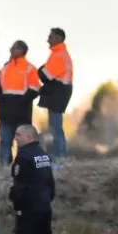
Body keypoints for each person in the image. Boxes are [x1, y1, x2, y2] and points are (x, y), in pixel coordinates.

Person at [9, 124, 56, 234]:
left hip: (28, 209)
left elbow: (19, 187)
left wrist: (17, 205)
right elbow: (50, 183)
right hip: (45, 207)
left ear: (29, 137)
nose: (15, 138)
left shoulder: (23, 157)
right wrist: (47, 200)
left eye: (18, 135)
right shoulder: (43, 154)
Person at [0, 41, 41, 165]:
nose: (11, 50)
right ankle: (5, 167)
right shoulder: (5, 68)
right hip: (5, 112)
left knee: (23, 143)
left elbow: (35, 89)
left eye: (14, 48)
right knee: (5, 142)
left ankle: (22, 166)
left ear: (21, 50)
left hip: (22, 113)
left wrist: (22, 101)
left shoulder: (30, 68)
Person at [38, 28, 74, 159]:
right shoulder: (58, 54)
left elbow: (46, 75)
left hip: (59, 91)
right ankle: (59, 155)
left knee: (55, 127)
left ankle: (59, 156)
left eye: (50, 37)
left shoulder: (59, 55)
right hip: (59, 90)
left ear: (59, 38)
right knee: (55, 125)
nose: (48, 39)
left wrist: (41, 70)